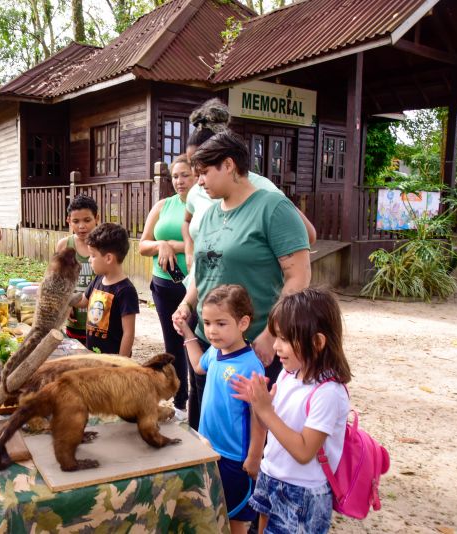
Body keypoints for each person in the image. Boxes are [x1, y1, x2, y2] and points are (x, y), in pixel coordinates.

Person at [178, 99, 317, 429]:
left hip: (254, 348)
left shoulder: (273, 207)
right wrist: (186, 303)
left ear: (228, 166)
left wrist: (271, 333)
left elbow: (298, 277)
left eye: (203, 173)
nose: (198, 182)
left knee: (249, 441)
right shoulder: (210, 212)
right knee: (207, 430)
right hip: (211, 341)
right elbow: (204, 268)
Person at [231, 288, 352, 534]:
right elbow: (270, 421)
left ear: (317, 342)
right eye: (277, 337)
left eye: (285, 339)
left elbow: (304, 450)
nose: (276, 346)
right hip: (272, 476)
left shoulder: (329, 393)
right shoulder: (289, 374)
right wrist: (258, 404)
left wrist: (266, 411)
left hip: (302, 492)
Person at [174, 285, 265, 534]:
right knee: (212, 509)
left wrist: (254, 457)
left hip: (235, 459)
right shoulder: (215, 351)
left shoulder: (250, 366)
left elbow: (260, 416)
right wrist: (186, 331)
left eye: (221, 323)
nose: (212, 330)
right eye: (207, 323)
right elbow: (197, 365)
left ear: (243, 322)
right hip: (208, 448)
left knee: (236, 519)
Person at [139, 154, 197, 421]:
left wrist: (170, 244)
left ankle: (198, 404)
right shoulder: (163, 205)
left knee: (196, 343)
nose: (179, 181)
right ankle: (180, 401)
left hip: (194, 287)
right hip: (164, 284)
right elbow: (142, 246)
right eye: (175, 176)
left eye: (185, 175)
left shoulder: (205, 206)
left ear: (198, 175)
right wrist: (160, 245)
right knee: (172, 344)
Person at [74, 223, 139, 356]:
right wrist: (61, 298)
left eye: (93, 255)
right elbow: (82, 301)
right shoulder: (98, 279)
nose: (89, 260)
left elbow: (129, 333)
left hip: (112, 361)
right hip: (93, 355)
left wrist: (121, 362)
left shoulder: (126, 291)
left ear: (108, 258)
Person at [55, 194, 99, 342]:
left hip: (99, 316)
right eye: (76, 221)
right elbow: (58, 280)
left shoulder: (104, 245)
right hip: (73, 317)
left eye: (87, 220)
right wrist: (65, 302)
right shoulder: (64, 245)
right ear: (68, 221)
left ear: (96, 218)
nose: (81, 226)